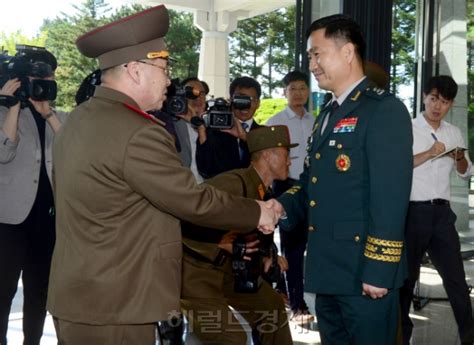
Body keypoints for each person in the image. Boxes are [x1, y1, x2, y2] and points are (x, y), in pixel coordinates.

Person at [46, 6, 279, 345]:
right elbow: (193, 200)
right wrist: (258, 211)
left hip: (81, 297)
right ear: (135, 70)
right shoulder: (138, 131)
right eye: (163, 67)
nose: (169, 80)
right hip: (118, 307)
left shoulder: (80, 119)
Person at [275, 14, 413, 345]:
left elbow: (390, 198)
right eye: (310, 56)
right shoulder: (329, 114)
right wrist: (277, 207)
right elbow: (311, 184)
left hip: (365, 275)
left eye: (316, 53)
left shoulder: (383, 110)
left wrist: (379, 270)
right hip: (329, 270)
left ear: (347, 52)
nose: (312, 64)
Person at [181, 125, 295, 345]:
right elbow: (186, 213)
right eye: (286, 155)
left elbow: (249, 236)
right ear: (268, 155)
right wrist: (218, 241)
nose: (290, 161)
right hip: (194, 274)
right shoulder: (233, 183)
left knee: (272, 307)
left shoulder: (264, 191)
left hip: (229, 271)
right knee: (231, 337)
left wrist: (268, 255)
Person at [399, 75, 474, 345]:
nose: (437, 106)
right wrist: (430, 153)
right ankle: (401, 337)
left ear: (450, 104)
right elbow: (399, 167)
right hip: (413, 213)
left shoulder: (453, 132)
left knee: (455, 278)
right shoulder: (407, 128)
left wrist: (461, 158)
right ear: (423, 97)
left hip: (442, 215)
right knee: (406, 281)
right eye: (433, 99)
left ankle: (469, 337)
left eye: (444, 101)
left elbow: (466, 174)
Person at [0, 47, 67, 345]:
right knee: (3, 292)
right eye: (35, 77)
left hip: (48, 221)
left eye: (48, 76)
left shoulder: (59, 116)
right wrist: (12, 106)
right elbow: (3, 152)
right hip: (10, 220)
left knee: (40, 291)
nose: (42, 82)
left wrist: (49, 114)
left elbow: (76, 153)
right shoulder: (3, 112)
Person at [266, 70, 315, 324]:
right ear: (284, 92)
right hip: (286, 187)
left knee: (304, 244)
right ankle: (298, 304)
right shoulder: (276, 121)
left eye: (303, 88)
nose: (298, 93)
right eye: (293, 88)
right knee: (293, 247)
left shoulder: (314, 121)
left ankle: (284, 290)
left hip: (311, 188)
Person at [196, 76, 263, 179]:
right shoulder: (215, 131)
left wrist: (246, 138)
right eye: (240, 99)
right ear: (231, 100)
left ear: (258, 103)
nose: (245, 105)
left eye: (251, 99)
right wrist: (202, 131)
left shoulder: (264, 133)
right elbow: (205, 169)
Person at [174, 77, 207, 182]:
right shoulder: (172, 125)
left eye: (202, 94)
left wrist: (201, 128)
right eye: (192, 93)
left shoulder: (215, 127)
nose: (198, 98)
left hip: (208, 189)